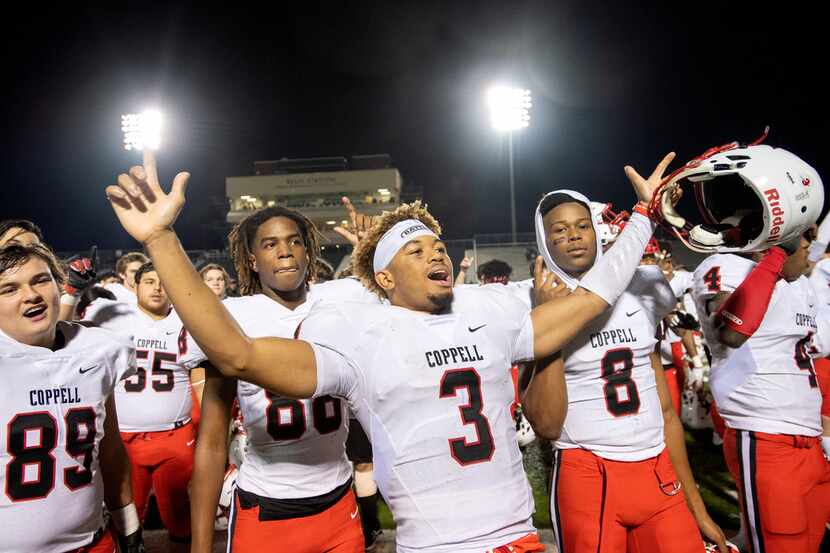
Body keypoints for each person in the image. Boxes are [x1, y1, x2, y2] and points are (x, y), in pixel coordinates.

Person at [105, 150, 670, 552]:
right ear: (384, 276)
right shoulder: (360, 337)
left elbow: (593, 298)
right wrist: (160, 239)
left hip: (518, 536)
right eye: (416, 248)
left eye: (440, 246)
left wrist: (642, 219)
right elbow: (238, 356)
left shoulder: (489, 310)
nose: (436, 254)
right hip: (434, 545)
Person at [522, 190, 727, 553]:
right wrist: (546, 319)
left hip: (657, 470)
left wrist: (697, 508)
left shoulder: (642, 287)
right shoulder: (531, 302)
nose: (573, 235)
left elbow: (665, 413)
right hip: (588, 476)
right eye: (560, 230)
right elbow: (546, 425)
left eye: (582, 225)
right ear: (543, 240)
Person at [189, 206, 365, 553]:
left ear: (308, 251)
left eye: (294, 241)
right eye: (270, 245)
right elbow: (211, 441)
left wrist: (371, 256)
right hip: (268, 509)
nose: (284, 251)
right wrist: (200, 546)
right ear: (252, 260)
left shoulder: (341, 301)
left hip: (340, 501)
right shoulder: (233, 317)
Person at [692, 231, 830, 553]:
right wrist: (775, 259)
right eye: (802, 240)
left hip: (808, 442)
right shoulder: (725, 266)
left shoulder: (801, 286)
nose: (809, 248)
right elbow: (733, 330)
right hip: (765, 437)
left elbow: (820, 342)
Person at [0, 243, 144, 552]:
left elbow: (109, 448)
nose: (31, 295)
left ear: (58, 284)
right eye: (9, 289)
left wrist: (129, 526)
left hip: (93, 543)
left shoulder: (99, 347)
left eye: (40, 280)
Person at [85, 262, 203, 551]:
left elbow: (200, 380)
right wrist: (73, 293)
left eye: (163, 282)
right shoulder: (114, 318)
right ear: (134, 286)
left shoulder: (187, 322)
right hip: (123, 439)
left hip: (175, 437)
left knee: (180, 518)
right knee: (124, 518)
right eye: (149, 281)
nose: (158, 288)